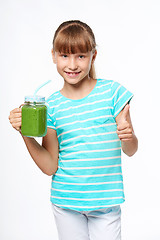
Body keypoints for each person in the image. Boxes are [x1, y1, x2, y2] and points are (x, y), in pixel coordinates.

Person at [9, 20, 138, 240]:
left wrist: (128, 136)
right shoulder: (51, 107)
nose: (72, 65)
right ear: (53, 56)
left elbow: (131, 149)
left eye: (80, 56)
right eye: (64, 56)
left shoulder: (113, 93)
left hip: (105, 203)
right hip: (66, 203)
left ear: (93, 56)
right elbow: (50, 166)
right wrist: (25, 134)